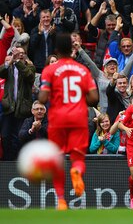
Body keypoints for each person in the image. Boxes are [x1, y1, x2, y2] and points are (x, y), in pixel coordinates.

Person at [38, 32, 98, 210]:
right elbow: (94, 98)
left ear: (56, 49)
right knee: (77, 157)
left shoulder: (50, 70)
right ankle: (77, 171)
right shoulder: (82, 70)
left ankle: (61, 200)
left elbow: (42, 98)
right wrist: (79, 100)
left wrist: (47, 91)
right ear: (72, 48)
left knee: (57, 159)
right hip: (79, 117)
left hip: (57, 119)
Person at [0, 47, 35, 161]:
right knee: (5, 136)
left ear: (25, 55)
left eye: (21, 53)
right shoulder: (9, 67)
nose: (19, 55)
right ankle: (7, 161)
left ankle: (19, 161)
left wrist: (18, 63)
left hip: (22, 108)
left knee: (19, 137)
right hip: (8, 107)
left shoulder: (30, 67)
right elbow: (1, 72)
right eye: (17, 53)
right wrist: (10, 61)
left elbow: (29, 76)